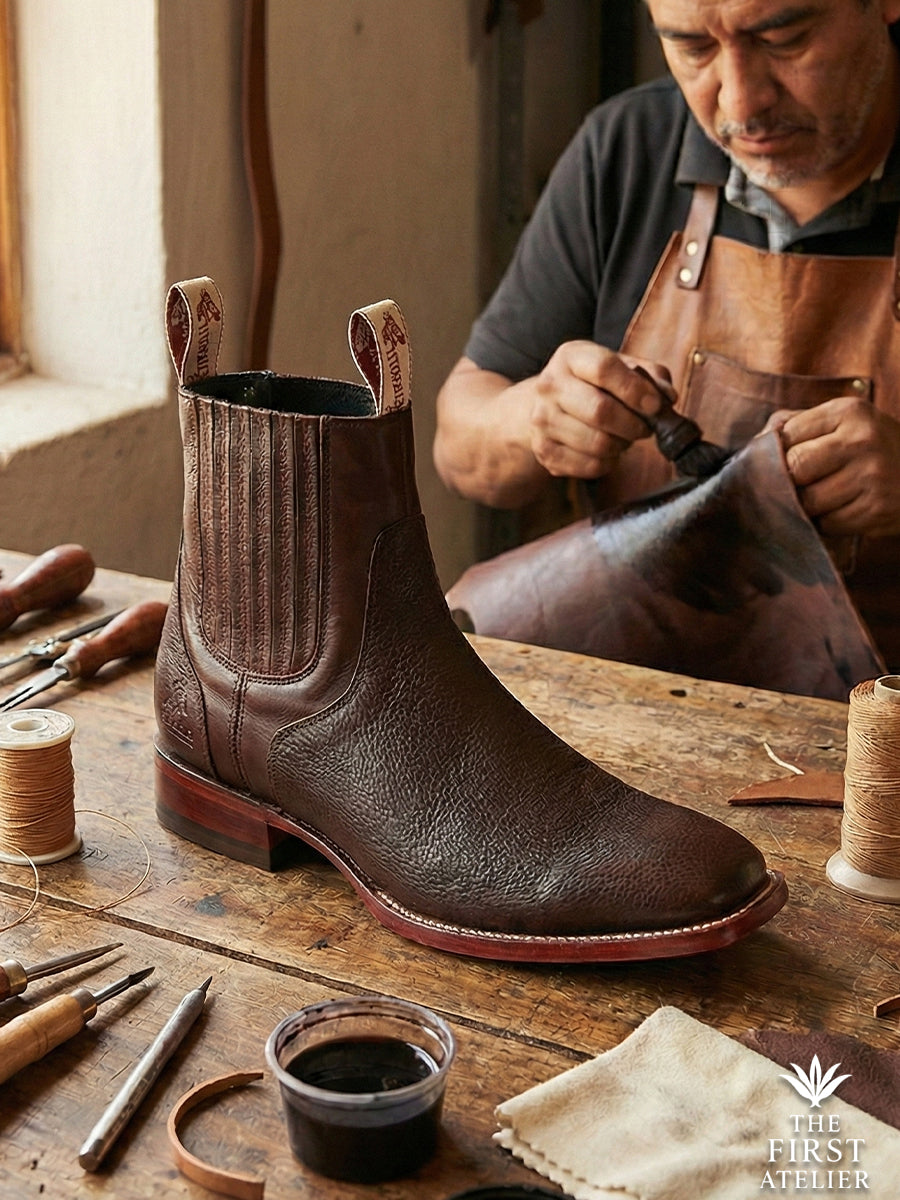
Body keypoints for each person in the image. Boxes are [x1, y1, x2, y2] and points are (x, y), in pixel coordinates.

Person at [434, 0, 900, 670]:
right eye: (693, 48)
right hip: (643, 694)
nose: (741, 103)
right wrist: (534, 418)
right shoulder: (627, 149)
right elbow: (459, 446)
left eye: (784, 39)